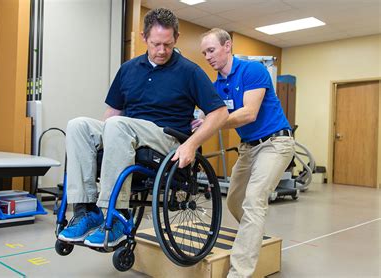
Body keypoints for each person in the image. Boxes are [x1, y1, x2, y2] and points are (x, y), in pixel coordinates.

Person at [58, 8, 229, 248]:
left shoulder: (190, 72)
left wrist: (192, 143)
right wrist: (100, 142)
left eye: (168, 45)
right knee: (78, 126)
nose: (161, 51)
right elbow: (112, 113)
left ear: (176, 39)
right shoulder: (128, 69)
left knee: (118, 126)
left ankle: (116, 215)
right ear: (143, 37)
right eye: (156, 44)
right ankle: (86, 211)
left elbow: (220, 113)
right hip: (126, 131)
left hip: (166, 139)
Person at [199, 28, 295, 278]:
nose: (207, 57)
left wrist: (212, 122)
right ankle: (252, 237)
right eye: (204, 53)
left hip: (275, 144)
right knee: (233, 200)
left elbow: (249, 113)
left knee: (253, 201)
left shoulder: (252, 71)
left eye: (211, 50)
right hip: (249, 148)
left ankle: (240, 273)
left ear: (227, 46)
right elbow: (207, 116)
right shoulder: (216, 86)